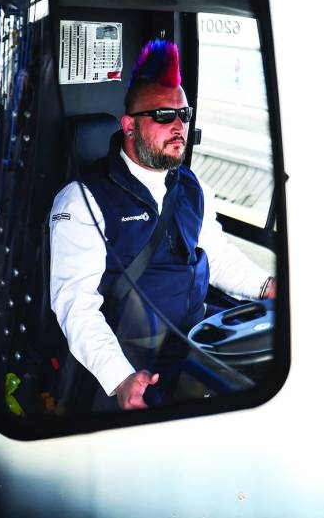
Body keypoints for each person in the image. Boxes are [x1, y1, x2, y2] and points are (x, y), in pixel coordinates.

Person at [49, 38, 276, 412]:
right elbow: (76, 304)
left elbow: (215, 256)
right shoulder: (82, 200)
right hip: (125, 363)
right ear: (130, 126)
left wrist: (268, 287)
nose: (179, 126)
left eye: (184, 114)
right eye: (163, 116)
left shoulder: (191, 186)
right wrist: (120, 378)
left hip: (190, 348)